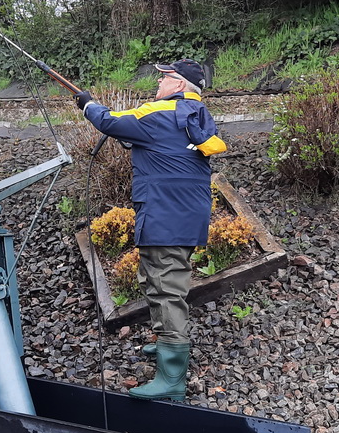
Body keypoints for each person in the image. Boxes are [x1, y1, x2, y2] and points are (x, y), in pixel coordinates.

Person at [76, 59, 227, 401]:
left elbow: (110, 121)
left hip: (164, 214)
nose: (157, 85)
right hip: (181, 214)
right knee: (156, 279)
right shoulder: (193, 115)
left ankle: (172, 378)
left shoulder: (159, 113)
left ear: (178, 85)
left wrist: (87, 103)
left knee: (166, 286)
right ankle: (164, 344)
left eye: (163, 79)